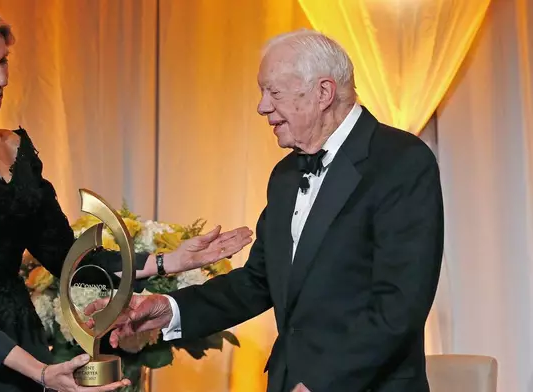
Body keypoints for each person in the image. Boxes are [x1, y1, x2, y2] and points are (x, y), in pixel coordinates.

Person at [0, 1, 253, 391]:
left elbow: (68, 257)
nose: (1, 78)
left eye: (4, 61)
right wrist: (40, 371)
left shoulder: (13, 147)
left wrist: (170, 260)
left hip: (15, 328)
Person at [86, 29, 444, 392]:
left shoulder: (401, 161)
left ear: (323, 92)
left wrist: (322, 383)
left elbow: (399, 306)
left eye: (273, 92)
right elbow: (257, 282)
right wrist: (170, 308)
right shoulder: (286, 174)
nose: (262, 107)